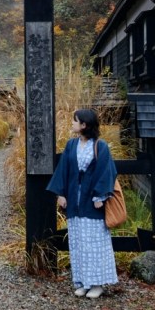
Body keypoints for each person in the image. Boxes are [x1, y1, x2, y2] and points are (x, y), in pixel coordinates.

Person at [47, 108, 119, 298]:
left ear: (84, 125)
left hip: (92, 203)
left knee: (95, 244)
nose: (72, 124)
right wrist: (60, 194)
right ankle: (82, 282)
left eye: (75, 121)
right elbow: (63, 169)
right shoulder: (71, 145)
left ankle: (97, 284)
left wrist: (99, 196)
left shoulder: (100, 146)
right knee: (78, 243)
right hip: (74, 202)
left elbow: (106, 171)